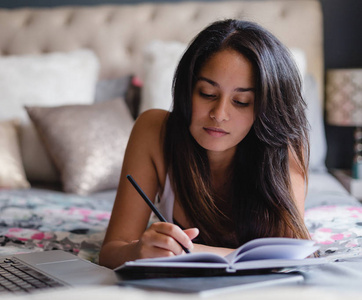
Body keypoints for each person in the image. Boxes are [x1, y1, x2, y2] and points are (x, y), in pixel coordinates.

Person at [99, 19, 311, 269]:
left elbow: (292, 253)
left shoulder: (284, 144)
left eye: (241, 101)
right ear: (186, 91)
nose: (219, 114)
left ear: (265, 109)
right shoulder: (154, 130)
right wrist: (138, 250)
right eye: (207, 94)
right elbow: (111, 251)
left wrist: (190, 251)